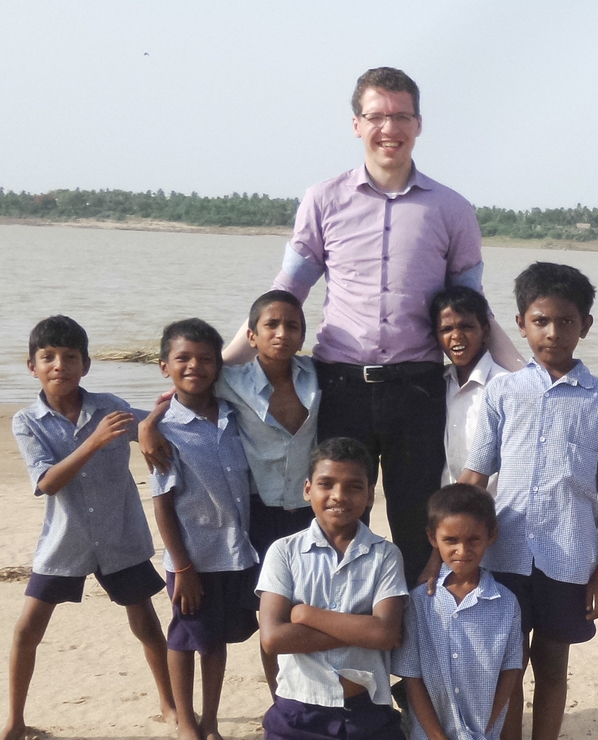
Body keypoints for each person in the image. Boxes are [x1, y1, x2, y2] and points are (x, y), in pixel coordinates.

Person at [224, 66, 524, 584]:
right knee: (341, 520)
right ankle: (347, 642)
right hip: (339, 386)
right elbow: (286, 291)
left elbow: (473, 307)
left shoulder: (451, 209)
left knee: (418, 521)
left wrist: (527, 375)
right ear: (356, 124)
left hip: (419, 390)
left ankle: (414, 647)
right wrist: (216, 370)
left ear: (419, 124)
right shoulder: (323, 199)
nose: (390, 127)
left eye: (401, 116)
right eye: (377, 116)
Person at [458, 263, 598, 740]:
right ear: (521, 324)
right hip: (507, 553)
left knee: (553, 666)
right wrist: (444, 548)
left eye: (566, 321)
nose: (553, 332)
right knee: (509, 665)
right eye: (541, 321)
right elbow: (476, 475)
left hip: (570, 555)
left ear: (585, 327)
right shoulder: (504, 392)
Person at [0, 315, 174, 740]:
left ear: (86, 365)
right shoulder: (28, 421)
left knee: (146, 622)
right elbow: (46, 482)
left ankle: (168, 704)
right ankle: (16, 720)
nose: (60, 365)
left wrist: (159, 417)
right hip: (65, 542)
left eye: (70, 357)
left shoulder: (110, 407)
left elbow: (159, 425)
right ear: (31, 366)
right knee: (26, 630)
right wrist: (92, 442)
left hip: (120, 537)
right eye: (48, 357)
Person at [141, 290, 319, 696]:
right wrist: (148, 423)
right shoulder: (230, 381)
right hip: (258, 514)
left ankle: (302, 697)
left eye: (292, 326)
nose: (281, 333)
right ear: (252, 336)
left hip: (309, 513)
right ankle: (280, 701)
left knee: (305, 612)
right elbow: (184, 389)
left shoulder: (318, 377)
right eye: (270, 325)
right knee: (270, 612)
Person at [149, 318, 260, 740]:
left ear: (218, 366)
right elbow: (162, 506)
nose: (194, 366)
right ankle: (187, 725)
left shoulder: (234, 415)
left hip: (237, 553)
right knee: (183, 637)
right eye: (183, 358)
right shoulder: (163, 431)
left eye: (205, 359)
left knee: (215, 642)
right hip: (192, 558)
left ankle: (211, 722)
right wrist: (181, 566)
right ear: (164, 366)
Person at [256, 437, 408, 740]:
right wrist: (360, 631)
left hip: (367, 711)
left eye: (353, 486)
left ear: (369, 496)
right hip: (298, 710)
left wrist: (305, 614)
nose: (339, 495)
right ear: (307, 489)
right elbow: (273, 638)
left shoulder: (385, 554)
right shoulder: (283, 551)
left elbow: (386, 634)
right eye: (326, 484)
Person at [393, 484, 523, 740]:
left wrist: (484, 729)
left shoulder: (506, 604)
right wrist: (437, 736)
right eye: (450, 540)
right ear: (433, 538)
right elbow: (412, 677)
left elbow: (510, 672)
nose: (462, 551)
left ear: (491, 535)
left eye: (473, 539)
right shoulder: (420, 602)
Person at [430, 285, 508, 495]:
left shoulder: (504, 387)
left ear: (485, 330)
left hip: (496, 507)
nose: (456, 336)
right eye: (446, 330)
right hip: (452, 506)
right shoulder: (441, 384)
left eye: (466, 327)